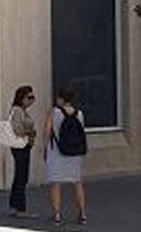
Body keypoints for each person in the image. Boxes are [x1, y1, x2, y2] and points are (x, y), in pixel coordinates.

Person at [43, 88, 87, 226]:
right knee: (77, 183)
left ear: (61, 99)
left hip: (57, 152)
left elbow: (47, 130)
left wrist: (44, 148)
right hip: (74, 153)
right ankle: (82, 213)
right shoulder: (79, 113)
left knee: (56, 183)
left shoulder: (54, 112)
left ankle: (56, 214)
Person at [8, 85, 38, 218]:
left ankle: (15, 206)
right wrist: (31, 132)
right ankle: (20, 208)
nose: (32, 100)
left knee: (20, 176)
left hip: (24, 145)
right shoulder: (18, 110)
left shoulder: (23, 111)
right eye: (29, 97)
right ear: (22, 98)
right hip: (20, 146)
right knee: (21, 176)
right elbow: (18, 130)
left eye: (33, 97)